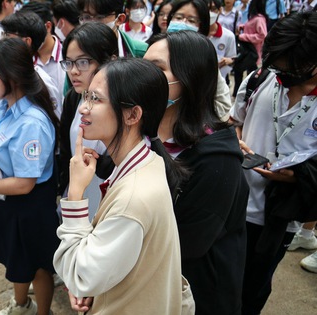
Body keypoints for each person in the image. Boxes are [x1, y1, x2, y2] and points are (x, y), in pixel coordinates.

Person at [53, 58, 190, 314]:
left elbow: (81, 276)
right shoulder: (148, 160)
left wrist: (74, 195)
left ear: (132, 114)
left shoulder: (133, 199)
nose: (84, 108)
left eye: (96, 99)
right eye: (86, 96)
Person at [145, 31, 249, 315]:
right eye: (142, 66)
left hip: (196, 292)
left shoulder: (218, 159)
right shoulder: (141, 132)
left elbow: (187, 243)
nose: (142, 77)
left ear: (190, 78)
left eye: (157, 69)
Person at [229, 11, 317, 314]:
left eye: (292, 69)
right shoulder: (261, 80)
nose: (284, 76)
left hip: (280, 214)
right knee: (220, 280)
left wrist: (296, 177)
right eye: (278, 66)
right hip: (234, 201)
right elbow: (234, 120)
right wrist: (236, 140)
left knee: (254, 285)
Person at [0, 38, 60, 315]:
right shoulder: (6, 107)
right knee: (16, 262)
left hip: (27, 207)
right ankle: (21, 305)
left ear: (14, 75)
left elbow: (24, 183)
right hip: (6, 202)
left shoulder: (31, 122)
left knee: (36, 266)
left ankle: (42, 312)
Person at [59, 22, 118, 221]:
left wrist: (99, 163)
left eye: (83, 62)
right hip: (76, 198)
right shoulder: (73, 98)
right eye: (68, 62)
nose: (73, 71)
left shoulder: (123, 106)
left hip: (109, 205)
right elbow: (65, 152)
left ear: (109, 60)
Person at [1, 11, 63, 119]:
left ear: (27, 41)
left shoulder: (41, 79)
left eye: (7, 35)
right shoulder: (16, 72)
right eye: (3, 34)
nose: (2, 40)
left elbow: (55, 117)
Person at [20, 1, 66, 115]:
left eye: (32, 32)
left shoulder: (67, 56)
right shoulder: (25, 61)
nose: (28, 39)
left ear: (48, 27)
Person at [77, 0, 148, 57]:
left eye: (100, 17)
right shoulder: (75, 53)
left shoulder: (142, 53)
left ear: (120, 19)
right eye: (86, 17)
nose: (92, 24)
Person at [233, 0, 267, 95]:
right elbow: (251, 28)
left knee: (249, 73)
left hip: (253, 52)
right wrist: (243, 27)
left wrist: (243, 36)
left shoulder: (259, 19)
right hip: (247, 50)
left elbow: (262, 35)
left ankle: (248, 93)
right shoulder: (254, 17)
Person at [208, 0, 237, 83]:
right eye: (207, 9)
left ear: (220, 10)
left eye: (213, 9)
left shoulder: (228, 36)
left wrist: (228, 61)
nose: (210, 13)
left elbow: (232, 58)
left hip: (219, 82)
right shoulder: (195, 33)